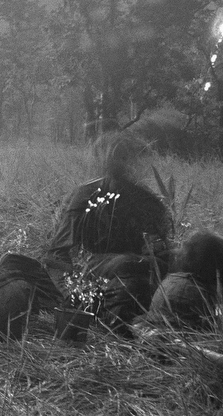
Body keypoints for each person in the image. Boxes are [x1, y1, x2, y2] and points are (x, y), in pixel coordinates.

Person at [46, 133, 172, 326]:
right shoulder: (86, 195)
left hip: (138, 286)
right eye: (121, 158)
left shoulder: (149, 202)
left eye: (128, 158)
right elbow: (58, 256)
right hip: (99, 285)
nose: (126, 165)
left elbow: (160, 257)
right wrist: (73, 297)